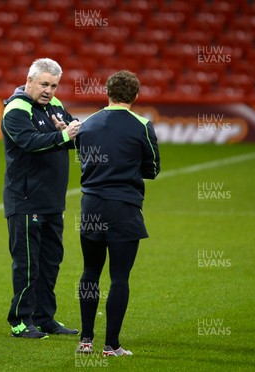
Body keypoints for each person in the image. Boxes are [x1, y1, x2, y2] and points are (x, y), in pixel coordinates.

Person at [74, 71, 160, 356]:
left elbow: (82, 158)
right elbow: (153, 169)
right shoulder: (143, 125)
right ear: (135, 96)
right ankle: (111, 345)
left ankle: (85, 339)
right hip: (123, 207)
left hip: (92, 206)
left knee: (90, 271)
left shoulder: (88, 123)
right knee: (119, 277)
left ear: (107, 93)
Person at [1, 58, 81, 339]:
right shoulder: (16, 109)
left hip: (52, 200)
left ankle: (45, 318)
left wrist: (74, 131)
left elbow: (72, 135)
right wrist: (62, 135)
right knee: (27, 264)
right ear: (30, 81)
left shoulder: (56, 106)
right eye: (44, 84)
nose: (49, 90)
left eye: (54, 85)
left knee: (50, 262)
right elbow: (29, 143)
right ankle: (20, 321)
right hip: (25, 200)